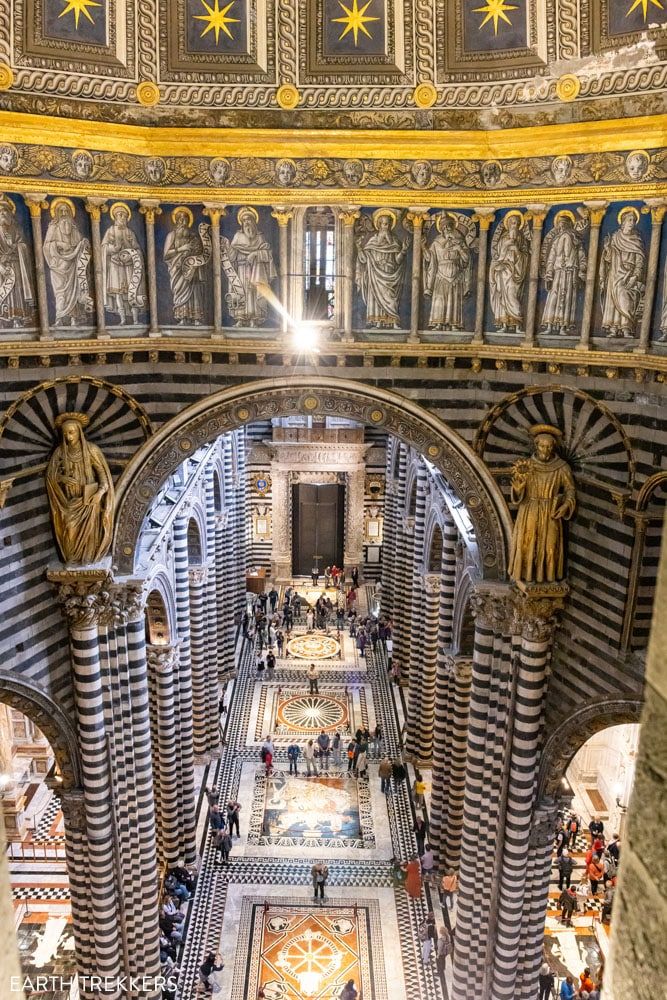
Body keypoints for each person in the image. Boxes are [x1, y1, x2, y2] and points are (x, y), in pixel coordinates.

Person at [508, 424, 576, 585]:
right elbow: (517, 491)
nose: (545, 450)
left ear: (553, 447)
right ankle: (527, 576)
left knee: (551, 547)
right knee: (528, 544)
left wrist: (566, 505)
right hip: (529, 509)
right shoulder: (527, 466)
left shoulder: (561, 467)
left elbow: (570, 489)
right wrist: (518, 490)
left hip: (550, 510)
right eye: (542, 446)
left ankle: (548, 577)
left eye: (549, 447)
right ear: (536, 446)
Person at [45, 412, 115, 565]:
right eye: (65, 434)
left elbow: (104, 476)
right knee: (69, 529)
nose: (69, 437)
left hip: (89, 500)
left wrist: (100, 493)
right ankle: (72, 559)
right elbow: (51, 476)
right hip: (69, 502)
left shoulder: (91, 450)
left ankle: (88, 558)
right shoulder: (60, 452)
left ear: (79, 432)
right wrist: (62, 478)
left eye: (71, 432)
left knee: (90, 534)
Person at [221, 207, 276, 326]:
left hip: (256, 271)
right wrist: (227, 246)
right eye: (244, 220)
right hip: (240, 270)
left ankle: (254, 319)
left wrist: (255, 254)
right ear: (241, 223)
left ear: (254, 221)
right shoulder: (238, 236)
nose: (247, 223)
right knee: (241, 292)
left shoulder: (260, 237)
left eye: (249, 220)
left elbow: (267, 255)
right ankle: (241, 319)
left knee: (253, 292)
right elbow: (232, 256)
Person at [43, 199, 94, 326]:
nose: (64, 213)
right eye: (61, 211)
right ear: (57, 213)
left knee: (74, 291)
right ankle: (59, 318)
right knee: (60, 292)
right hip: (58, 265)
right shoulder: (53, 227)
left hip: (73, 264)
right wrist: (59, 244)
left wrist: (84, 244)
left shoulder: (73, 227)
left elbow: (80, 244)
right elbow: (46, 246)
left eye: (67, 211)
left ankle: (73, 318)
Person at [355, 209, 408, 328]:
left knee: (391, 298)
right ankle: (378, 322)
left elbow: (398, 261)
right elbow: (363, 260)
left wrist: (403, 250)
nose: (387, 227)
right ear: (379, 225)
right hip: (375, 275)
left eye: (388, 224)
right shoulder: (372, 242)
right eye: (384, 224)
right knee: (375, 297)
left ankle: (393, 321)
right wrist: (359, 247)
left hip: (390, 274)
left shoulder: (394, 242)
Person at [423, 212, 472, 331]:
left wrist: (459, 248)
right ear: (442, 229)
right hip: (441, 274)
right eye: (445, 227)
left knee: (453, 300)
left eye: (449, 226)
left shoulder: (460, 241)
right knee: (440, 300)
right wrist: (423, 247)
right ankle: (438, 323)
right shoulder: (436, 242)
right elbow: (430, 259)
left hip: (456, 274)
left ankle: (454, 324)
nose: (447, 228)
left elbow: (467, 260)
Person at [101, 202, 146, 325]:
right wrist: (114, 248)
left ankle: (135, 320)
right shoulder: (110, 230)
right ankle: (122, 320)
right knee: (118, 294)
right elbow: (103, 247)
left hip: (129, 266)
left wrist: (133, 255)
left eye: (125, 216)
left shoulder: (130, 232)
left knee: (132, 292)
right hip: (115, 266)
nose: (123, 218)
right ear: (115, 217)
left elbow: (137, 248)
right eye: (120, 215)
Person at [163, 207, 209, 325]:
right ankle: (183, 317)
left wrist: (194, 255)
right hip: (177, 269)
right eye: (180, 219)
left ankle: (196, 318)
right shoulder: (171, 235)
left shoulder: (193, 236)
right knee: (181, 291)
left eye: (185, 219)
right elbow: (166, 255)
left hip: (192, 269)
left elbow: (200, 252)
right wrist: (181, 249)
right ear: (176, 221)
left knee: (195, 291)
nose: (183, 222)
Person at [0, 197, 35, 328]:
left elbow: (23, 245)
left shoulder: (16, 229)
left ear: (10, 214)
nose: (3, 214)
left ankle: (16, 319)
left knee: (16, 294)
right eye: (0, 212)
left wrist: (17, 247)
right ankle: (3, 320)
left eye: (5, 212)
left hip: (16, 265)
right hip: (1, 268)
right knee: (3, 292)